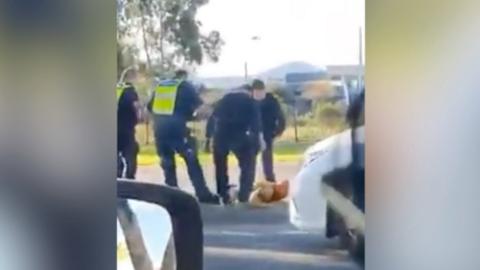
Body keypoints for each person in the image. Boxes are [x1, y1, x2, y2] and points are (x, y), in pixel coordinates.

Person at [148, 70, 219, 204]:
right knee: (191, 160)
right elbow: (202, 109)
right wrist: (196, 117)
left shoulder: (161, 86)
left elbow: (150, 108)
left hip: (159, 130)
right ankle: (203, 194)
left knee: (167, 162)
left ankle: (171, 193)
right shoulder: (185, 86)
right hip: (177, 130)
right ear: (184, 76)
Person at [205, 84, 264, 204]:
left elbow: (212, 119)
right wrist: (259, 140)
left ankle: (223, 193)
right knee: (247, 166)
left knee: (221, 167)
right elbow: (256, 123)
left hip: (221, 134)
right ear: (249, 91)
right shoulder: (250, 101)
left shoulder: (223, 100)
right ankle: (244, 194)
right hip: (240, 135)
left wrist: (208, 138)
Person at [251, 79, 286, 182]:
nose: (259, 94)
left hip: (267, 133)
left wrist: (278, 131)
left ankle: (270, 181)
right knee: (250, 161)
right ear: (253, 91)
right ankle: (249, 183)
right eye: (257, 92)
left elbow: (280, 117)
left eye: (261, 91)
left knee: (267, 160)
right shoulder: (249, 101)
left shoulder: (271, 101)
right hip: (252, 134)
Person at [117, 69, 141, 179]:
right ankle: (130, 179)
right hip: (126, 128)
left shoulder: (116, 89)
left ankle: (117, 176)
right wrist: (140, 116)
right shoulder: (129, 90)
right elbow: (135, 105)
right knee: (131, 152)